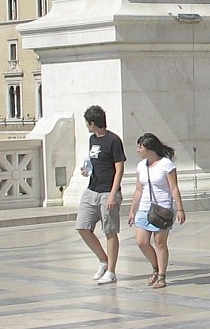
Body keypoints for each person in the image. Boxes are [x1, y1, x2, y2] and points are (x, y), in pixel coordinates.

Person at [125, 133, 186, 288]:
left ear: (150, 149)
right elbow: (139, 189)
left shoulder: (166, 164)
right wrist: (133, 210)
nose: (137, 150)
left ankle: (161, 276)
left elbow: (174, 188)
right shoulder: (141, 166)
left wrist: (180, 209)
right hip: (145, 208)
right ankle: (155, 266)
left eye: (140, 147)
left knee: (160, 243)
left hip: (162, 209)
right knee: (141, 241)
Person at [75, 105, 125, 284]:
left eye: (87, 123)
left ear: (92, 123)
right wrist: (86, 169)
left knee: (110, 231)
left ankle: (111, 271)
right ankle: (103, 260)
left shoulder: (113, 140)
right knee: (82, 226)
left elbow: (119, 168)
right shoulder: (92, 139)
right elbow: (93, 160)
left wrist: (113, 194)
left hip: (107, 191)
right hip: (92, 189)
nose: (87, 126)